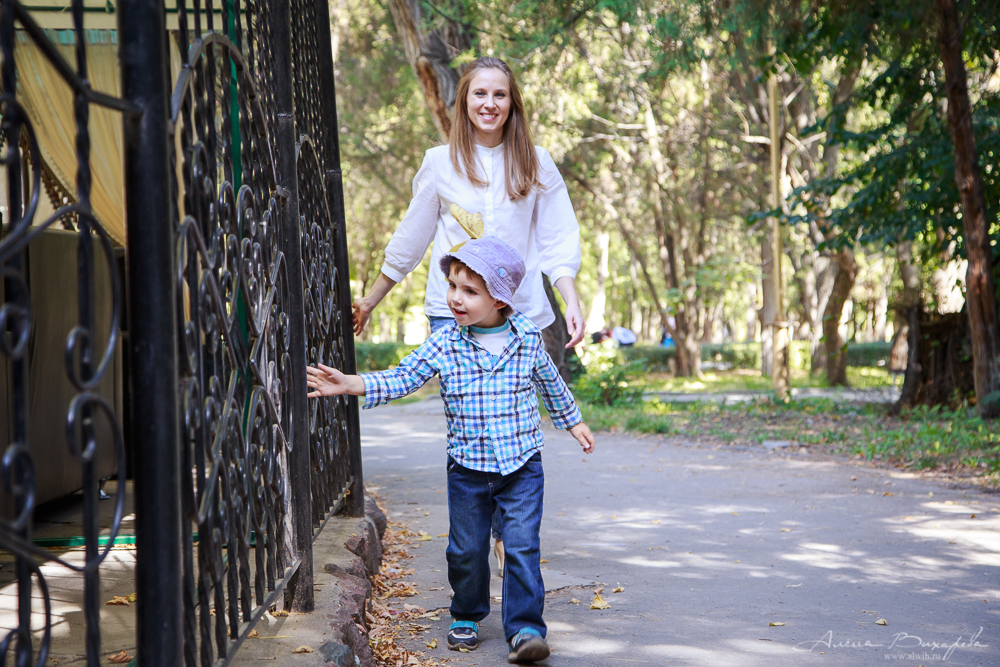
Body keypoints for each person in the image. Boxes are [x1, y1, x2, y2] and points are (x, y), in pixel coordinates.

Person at [352, 56, 586, 583]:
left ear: (512, 103)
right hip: (451, 313)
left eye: (499, 94)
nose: (489, 103)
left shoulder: (536, 163)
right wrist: (372, 299)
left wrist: (570, 297)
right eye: (479, 93)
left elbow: (557, 238)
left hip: (518, 313)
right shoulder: (440, 163)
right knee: (471, 423)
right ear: (463, 101)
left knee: (514, 420)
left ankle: (507, 530)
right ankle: (479, 535)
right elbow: (412, 238)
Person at [308, 237, 595, 663]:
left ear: (500, 299)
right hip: (467, 469)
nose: (456, 298)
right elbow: (405, 376)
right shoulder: (446, 342)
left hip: (522, 466)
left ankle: (526, 629)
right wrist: (352, 383)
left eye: (470, 291)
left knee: (521, 546)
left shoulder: (528, 337)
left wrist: (573, 421)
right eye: (453, 286)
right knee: (466, 551)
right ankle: (466, 613)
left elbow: (550, 383)